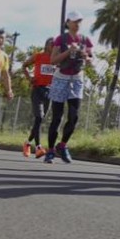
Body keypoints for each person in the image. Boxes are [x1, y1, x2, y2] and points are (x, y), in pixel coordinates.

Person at [44, 12, 94, 164]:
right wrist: (68, 51)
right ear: (68, 23)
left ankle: (63, 145)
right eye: (74, 21)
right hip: (61, 78)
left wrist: (86, 56)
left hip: (77, 79)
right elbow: (53, 60)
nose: (77, 24)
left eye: (79, 21)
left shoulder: (85, 40)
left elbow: (91, 59)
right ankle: (51, 150)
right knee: (57, 117)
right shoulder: (61, 39)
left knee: (74, 116)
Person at [21, 37, 55, 158]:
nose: (54, 46)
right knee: (39, 117)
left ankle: (27, 143)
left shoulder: (56, 59)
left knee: (40, 120)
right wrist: (29, 78)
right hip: (37, 89)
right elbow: (24, 66)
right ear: (46, 45)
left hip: (50, 91)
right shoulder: (38, 56)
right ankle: (39, 147)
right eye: (52, 44)